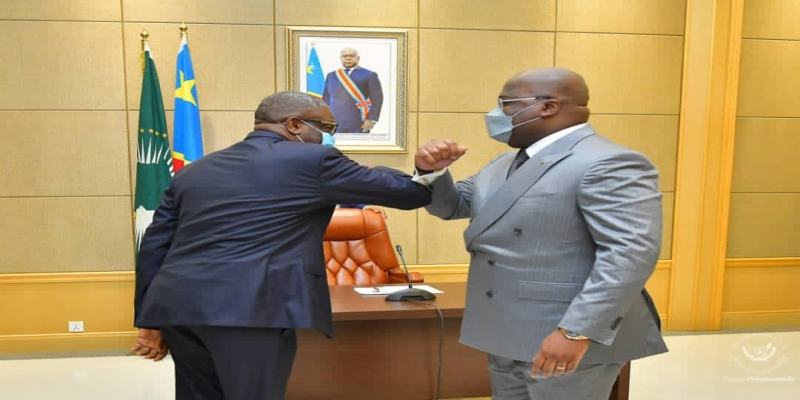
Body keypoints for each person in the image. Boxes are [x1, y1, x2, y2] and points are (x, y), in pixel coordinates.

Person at [131, 91, 431, 400]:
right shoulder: (316, 161)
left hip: (180, 308)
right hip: (252, 310)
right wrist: (381, 170)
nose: (330, 137)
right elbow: (411, 194)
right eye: (328, 128)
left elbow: (155, 247)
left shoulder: (195, 171)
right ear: (295, 125)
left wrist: (149, 319)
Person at [413, 67, 667, 400]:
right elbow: (454, 205)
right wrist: (433, 172)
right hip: (505, 329)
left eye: (506, 103)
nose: (497, 114)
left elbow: (630, 255)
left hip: (566, 333)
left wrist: (576, 332)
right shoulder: (504, 163)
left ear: (548, 107)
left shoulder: (609, 162)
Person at [322, 47, 383, 133]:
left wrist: (371, 119)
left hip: (359, 122)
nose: (348, 58)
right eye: (345, 56)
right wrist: (325, 119)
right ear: (341, 58)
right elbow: (326, 99)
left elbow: (377, 99)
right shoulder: (331, 75)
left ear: (358, 58)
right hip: (335, 122)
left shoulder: (369, 74)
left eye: (352, 55)